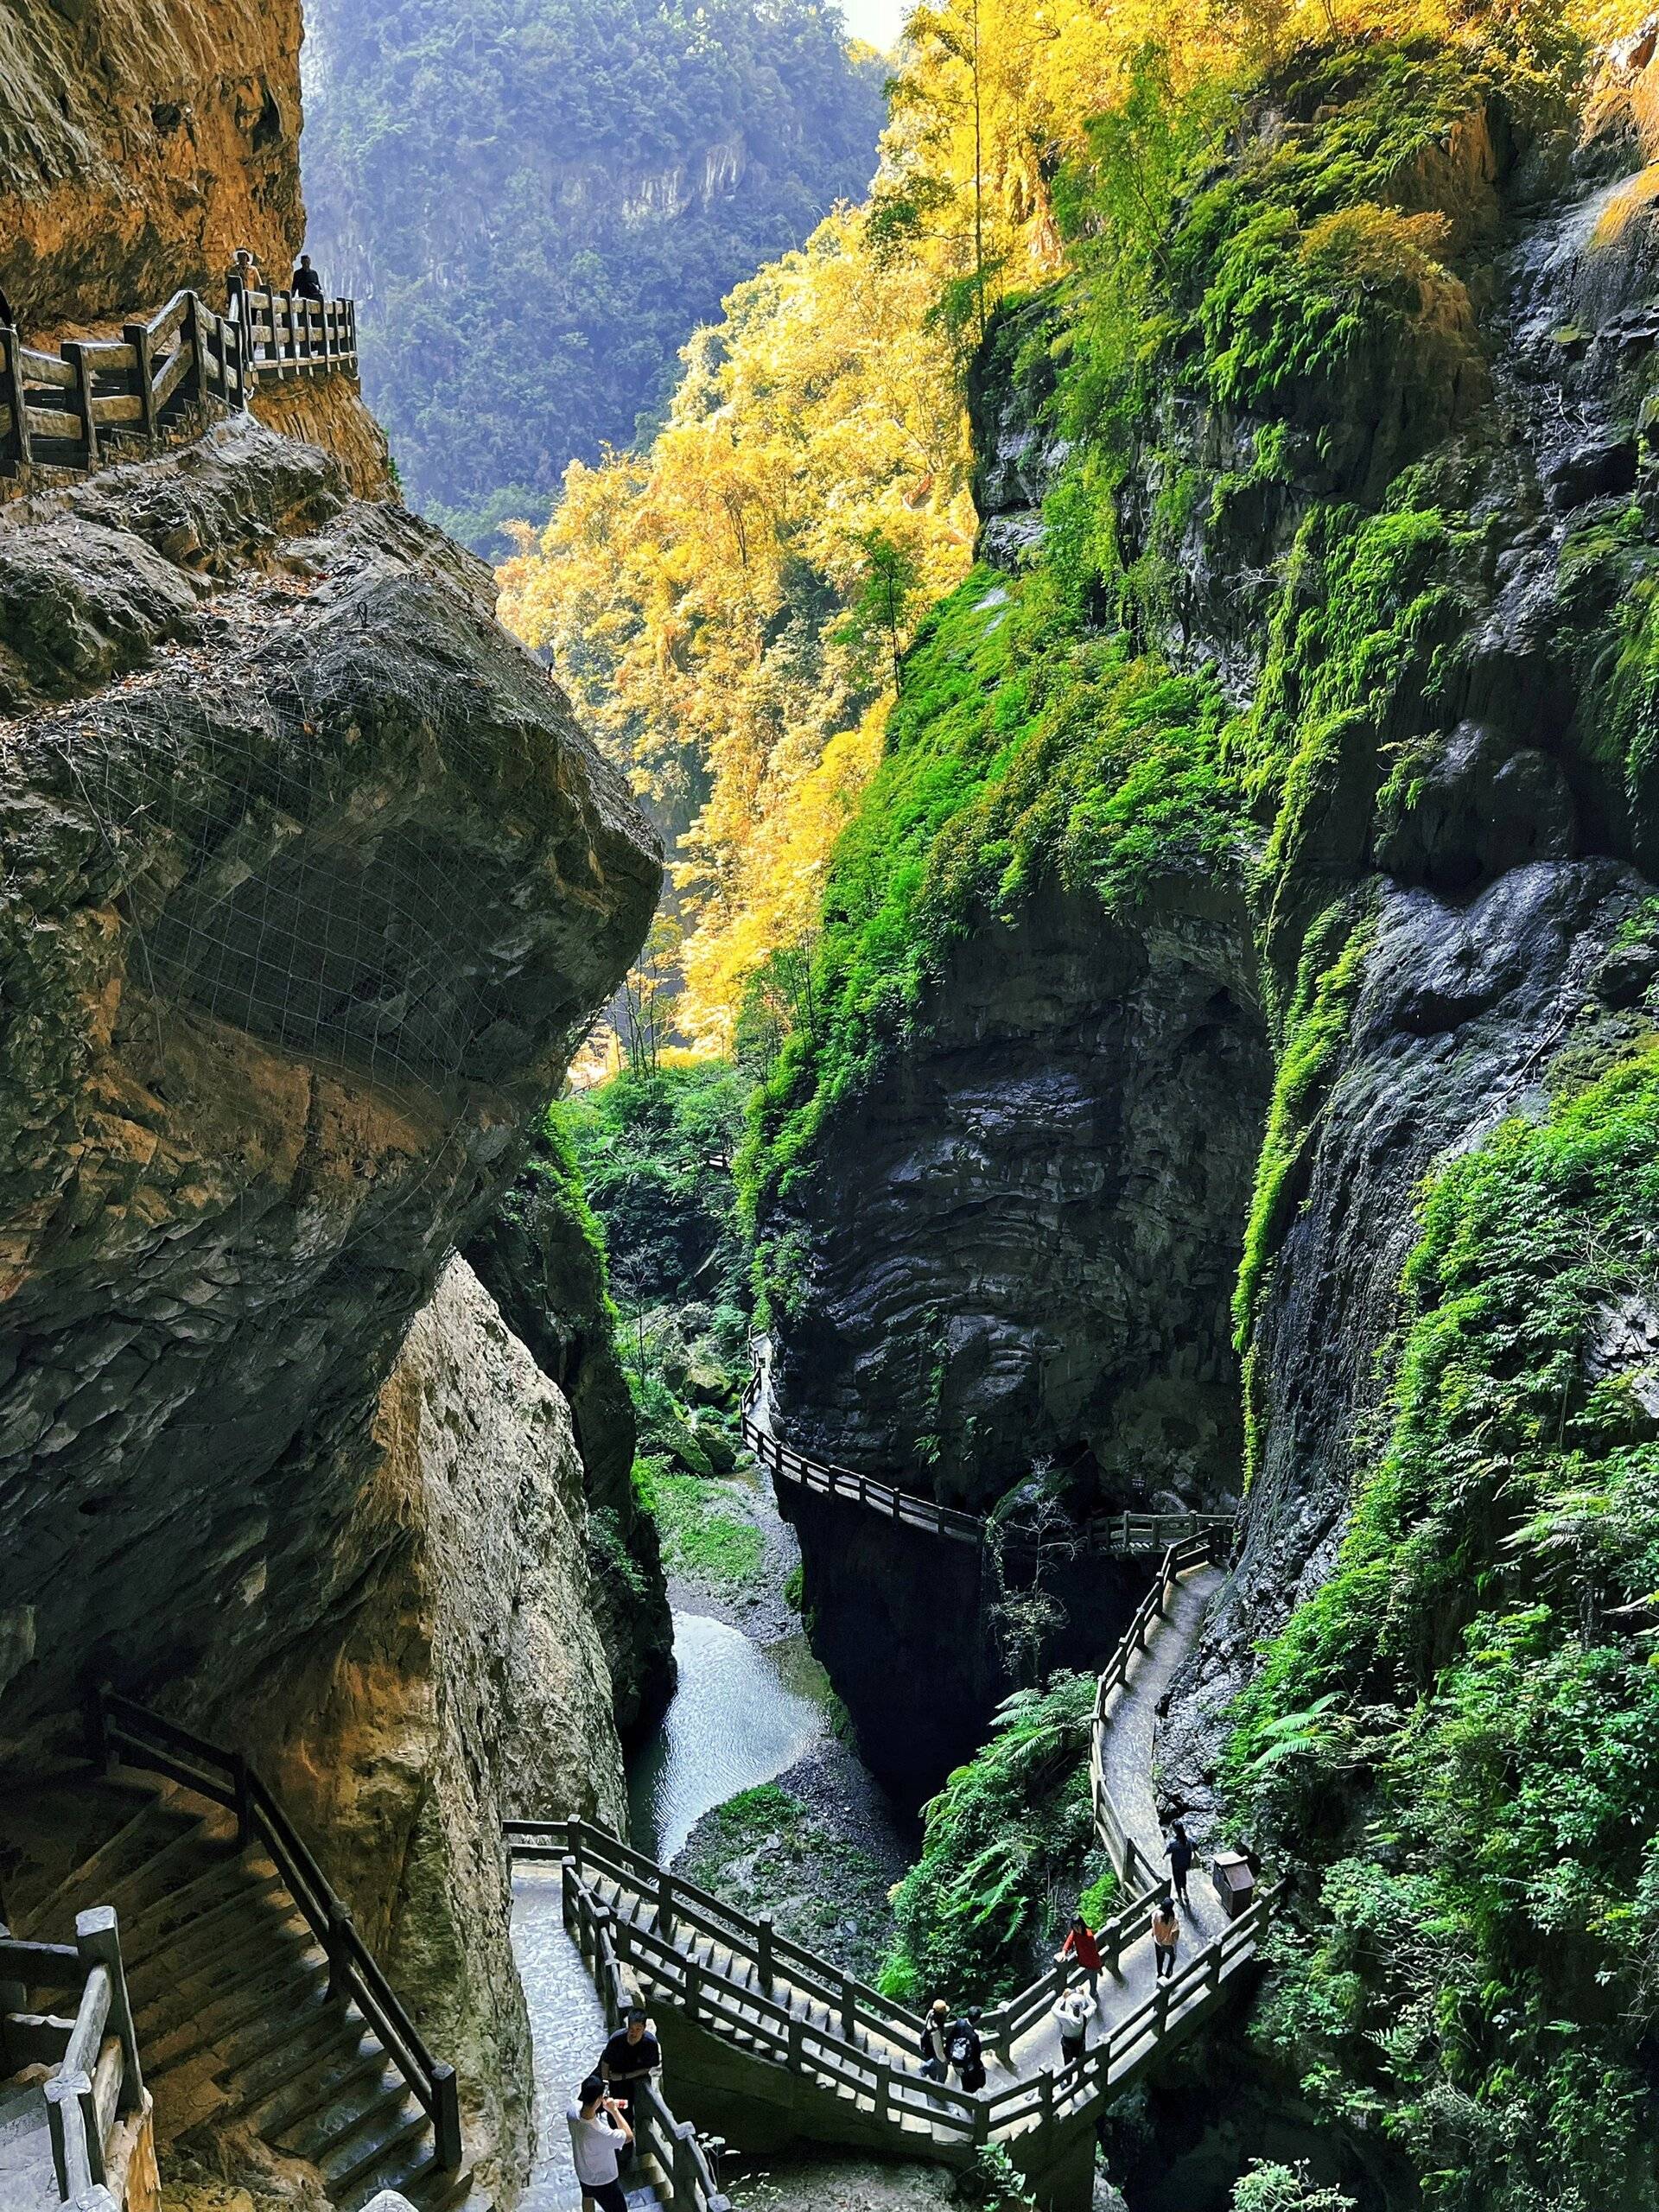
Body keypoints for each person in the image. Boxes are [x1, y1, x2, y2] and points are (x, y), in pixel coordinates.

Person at [567, 2074, 632, 2212]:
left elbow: (582, 2105)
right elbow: (628, 2136)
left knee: (587, 2197)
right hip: (604, 2181)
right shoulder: (600, 2133)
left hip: (583, 2173)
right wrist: (614, 2110)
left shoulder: (572, 2111)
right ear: (598, 2100)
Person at [599, 2005, 660, 2128]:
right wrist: (606, 2084)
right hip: (617, 2083)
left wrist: (624, 2076)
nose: (634, 2033)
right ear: (627, 2026)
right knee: (617, 2112)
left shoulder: (650, 2043)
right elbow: (605, 2062)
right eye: (632, 2029)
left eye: (639, 2029)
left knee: (640, 2112)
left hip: (637, 2081)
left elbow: (649, 2067)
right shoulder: (616, 2040)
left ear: (644, 2028)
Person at [1056, 1914, 1103, 2003]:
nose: (1077, 1929)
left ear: (1082, 1925)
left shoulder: (1089, 1937)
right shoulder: (1075, 1933)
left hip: (1091, 1964)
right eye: (1074, 1927)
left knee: (1092, 1979)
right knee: (1089, 1976)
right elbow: (1070, 1940)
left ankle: (1093, 1995)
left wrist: (1097, 1966)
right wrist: (1064, 1952)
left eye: (1078, 1926)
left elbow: (1094, 1953)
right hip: (1083, 1961)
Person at [945, 2008, 984, 2092]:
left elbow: (949, 2039)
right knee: (971, 2086)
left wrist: (948, 2055)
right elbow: (976, 2057)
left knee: (964, 2081)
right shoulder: (973, 2037)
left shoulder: (959, 2023)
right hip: (967, 2065)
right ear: (977, 2020)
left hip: (955, 2061)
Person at [1052, 1986, 1090, 2069]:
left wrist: (1063, 1997)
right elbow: (1094, 2005)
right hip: (1080, 2043)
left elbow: (1054, 2009)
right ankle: (1081, 2076)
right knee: (1080, 2061)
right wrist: (1085, 1994)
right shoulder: (1085, 2016)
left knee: (1068, 2064)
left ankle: (1068, 2079)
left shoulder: (1065, 2016)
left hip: (1067, 2044)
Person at [1163, 1821, 1194, 1908]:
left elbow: (1168, 1850)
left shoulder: (1173, 1842)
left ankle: (1180, 1898)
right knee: (1183, 1876)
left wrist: (1164, 1855)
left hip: (1176, 1864)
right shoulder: (1188, 1840)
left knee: (1177, 1879)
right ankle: (1185, 1894)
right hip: (1185, 1863)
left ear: (1175, 1831)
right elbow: (1195, 1845)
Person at [918, 1997, 950, 2082]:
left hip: (925, 2038)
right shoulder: (936, 2030)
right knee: (940, 2060)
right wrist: (944, 2058)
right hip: (930, 2045)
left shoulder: (931, 2013)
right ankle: (925, 2067)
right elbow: (938, 2051)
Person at [1152, 1895, 1179, 1982]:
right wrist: (1174, 1943)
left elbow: (1153, 1924)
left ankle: (1159, 1972)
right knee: (1173, 1956)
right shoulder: (1174, 1921)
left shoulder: (1156, 1914)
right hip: (1168, 1944)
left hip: (1157, 1941)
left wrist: (1154, 1933)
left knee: (1159, 1958)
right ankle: (1168, 1973)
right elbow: (1175, 1935)